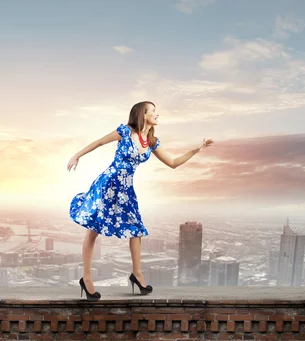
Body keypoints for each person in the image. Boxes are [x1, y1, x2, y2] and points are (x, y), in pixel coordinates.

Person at [67, 101, 213, 300]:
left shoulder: (152, 142)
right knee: (94, 229)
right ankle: (87, 278)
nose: (157, 114)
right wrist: (77, 156)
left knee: (136, 229)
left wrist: (197, 149)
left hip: (126, 189)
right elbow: (99, 142)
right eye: (153, 111)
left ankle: (137, 274)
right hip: (107, 184)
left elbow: (173, 163)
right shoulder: (125, 132)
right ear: (142, 115)